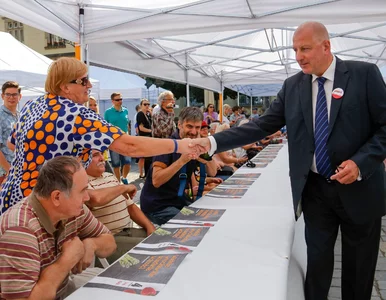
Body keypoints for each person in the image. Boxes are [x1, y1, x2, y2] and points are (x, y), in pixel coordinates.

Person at [192, 21, 386, 300]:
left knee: (358, 271)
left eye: (305, 48)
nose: (299, 56)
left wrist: (360, 163)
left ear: (326, 46)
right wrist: (212, 142)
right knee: (317, 266)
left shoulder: (364, 75)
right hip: (316, 191)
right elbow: (261, 126)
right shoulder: (293, 86)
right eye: (295, 49)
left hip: (360, 188)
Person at [0, 57, 200, 215]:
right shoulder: (76, 114)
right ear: (65, 86)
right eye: (83, 81)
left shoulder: (32, 105)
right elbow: (129, 147)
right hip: (45, 207)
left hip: (12, 200)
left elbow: (12, 145)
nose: (89, 85)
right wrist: (180, 146)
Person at [0, 156, 116, 299]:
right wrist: (65, 261)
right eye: (82, 191)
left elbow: (109, 242)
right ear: (56, 197)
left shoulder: (73, 210)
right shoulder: (20, 230)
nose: (87, 197)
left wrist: (91, 244)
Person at [141, 107, 218, 225]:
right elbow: (156, 180)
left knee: (210, 216)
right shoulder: (167, 146)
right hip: (157, 206)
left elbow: (212, 172)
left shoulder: (193, 144)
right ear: (179, 125)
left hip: (177, 201)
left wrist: (205, 149)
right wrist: (182, 161)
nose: (193, 132)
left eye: (197, 127)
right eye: (189, 126)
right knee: (194, 224)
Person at [86, 150, 155, 262]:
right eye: (95, 155)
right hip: (109, 240)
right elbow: (95, 199)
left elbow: (131, 207)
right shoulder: (81, 181)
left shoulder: (110, 176)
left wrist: (149, 227)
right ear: (83, 160)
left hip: (128, 231)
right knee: (151, 250)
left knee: (161, 239)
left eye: (102, 154)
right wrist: (123, 188)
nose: (102, 158)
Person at [104, 92, 132, 184]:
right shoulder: (108, 112)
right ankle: (118, 182)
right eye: (117, 100)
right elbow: (105, 127)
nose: (120, 101)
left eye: (121, 99)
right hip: (114, 141)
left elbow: (127, 124)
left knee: (127, 162)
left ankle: (124, 177)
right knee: (116, 164)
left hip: (125, 140)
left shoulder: (125, 110)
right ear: (112, 101)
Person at [0, 81, 21, 183]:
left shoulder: (20, 116)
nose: (11, 97)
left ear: (20, 96)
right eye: (8, 94)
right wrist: (9, 170)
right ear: (2, 96)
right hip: (3, 173)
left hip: (17, 171)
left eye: (14, 94)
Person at [137, 98, 153, 178]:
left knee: (148, 158)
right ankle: (146, 175)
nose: (147, 106)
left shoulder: (147, 114)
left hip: (148, 138)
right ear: (141, 105)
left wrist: (151, 113)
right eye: (145, 104)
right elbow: (141, 128)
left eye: (148, 104)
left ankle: (147, 174)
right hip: (144, 138)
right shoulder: (140, 114)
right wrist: (151, 131)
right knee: (146, 158)